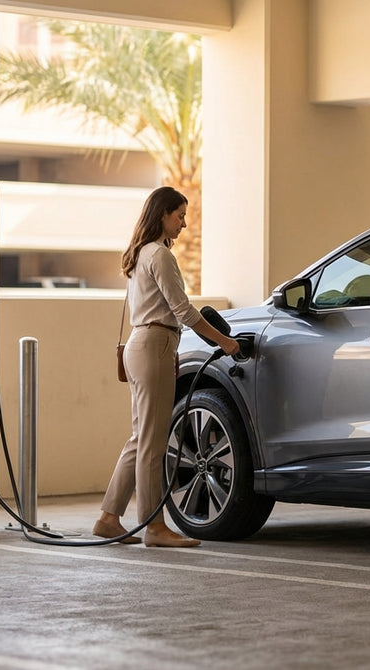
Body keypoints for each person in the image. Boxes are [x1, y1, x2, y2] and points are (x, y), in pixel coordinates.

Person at [94, 186, 240, 547]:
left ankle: (109, 518)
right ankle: (154, 527)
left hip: (143, 345)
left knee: (139, 438)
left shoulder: (139, 254)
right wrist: (225, 341)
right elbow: (184, 311)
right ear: (162, 214)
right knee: (153, 443)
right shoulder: (159, 255)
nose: (184, 224)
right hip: (154, 345)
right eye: (179, 216)